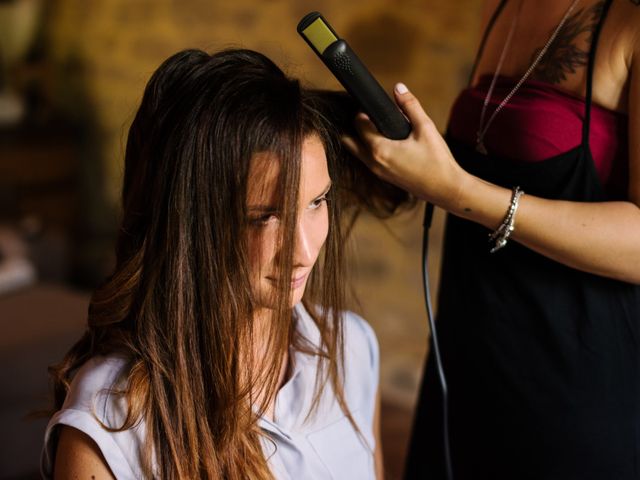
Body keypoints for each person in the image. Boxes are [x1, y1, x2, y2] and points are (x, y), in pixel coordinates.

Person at [41, 48, 411, 479]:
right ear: (190, 224)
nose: (304, 252)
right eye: (264, 217)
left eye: (317, 201)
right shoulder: (110, 424)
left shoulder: (351, 350)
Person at [343, 0, 640, 478]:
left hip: (574, 380)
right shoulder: (502, 7)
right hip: (464, 357)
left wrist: (457, 191)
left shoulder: (629, 19)